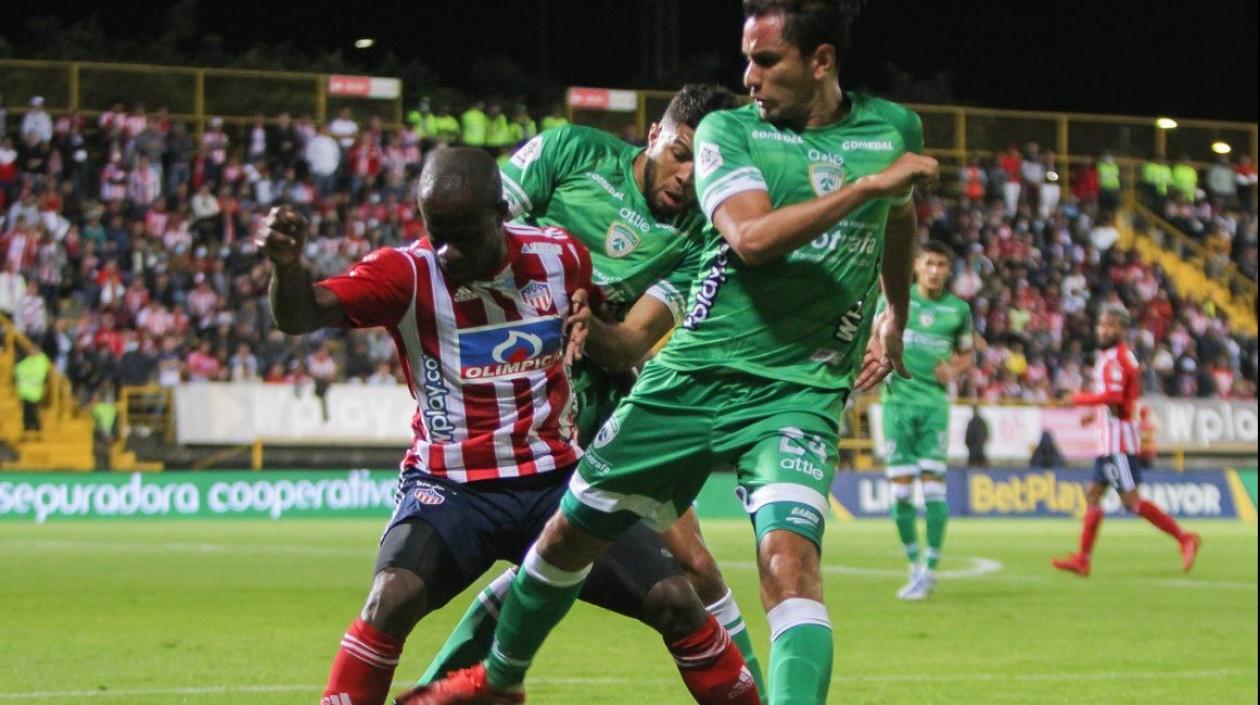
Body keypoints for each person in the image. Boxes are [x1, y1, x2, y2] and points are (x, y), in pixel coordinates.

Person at [410, 1, 940, 702]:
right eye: (746, 58)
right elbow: (751, 239)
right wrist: (868, 185)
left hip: (799, 390)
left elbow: (898, 219)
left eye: (765, 60)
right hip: (689, 378)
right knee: (572, 537)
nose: (747, 76)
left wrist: (894, 314)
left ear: (821, 61)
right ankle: (497, 681)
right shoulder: (727, 132)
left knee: (787, 563)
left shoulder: (894, 129)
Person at [258, 149, 755, 705]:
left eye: (463, 235)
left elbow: (604, 340)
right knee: (390, 599)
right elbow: (301, 314)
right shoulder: (408, 273)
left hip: (556, 486)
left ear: (501, 214)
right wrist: (286, 268)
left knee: (676, 600)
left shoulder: (562, 257)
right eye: (436, 232)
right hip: (452, 489)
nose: (448, 251)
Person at [409, 84, 766, 699]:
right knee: (554, 560)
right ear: (655, 132)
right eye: (679, 152)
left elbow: (629, 344)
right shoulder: (571, 152)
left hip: (604, 401)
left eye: (701, 165)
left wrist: (588, 326)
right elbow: (471, 238)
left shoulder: (701, 236)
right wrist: (546, 296)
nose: (685, 176)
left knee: (693, 565)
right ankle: (440, 688)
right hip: (521, 399)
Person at [1052, 305, 1201, 578]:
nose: (1104, 330)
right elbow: (1114, 400)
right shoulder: (1109, 356)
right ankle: (1082, 559)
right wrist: (1093, 416)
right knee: (1093, 494)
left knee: (1131, 501)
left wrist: (1079, 399)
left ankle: (1184, 537)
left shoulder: (1119, 358)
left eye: (1111, 326)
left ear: (1122, 329)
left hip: (1117, 443)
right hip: (1108, 439)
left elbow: (1115, 397)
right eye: (1102, 325)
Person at [877, 240, 974, 600]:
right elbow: (872, 340)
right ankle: (914, 566)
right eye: (929, 263)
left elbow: (967, 355)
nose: (935, 270)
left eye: (942, 265)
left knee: (933, 487)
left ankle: (931, 569)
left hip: (933, 406)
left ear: (948, 271)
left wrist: (954, 367)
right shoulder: (894, 301)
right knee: (901, 491)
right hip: (896, 405)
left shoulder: (958, 310)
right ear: (917, 265)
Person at [15, 346, 51, 439]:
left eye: (33, 350)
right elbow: (19, 369)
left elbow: (37, 374)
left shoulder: (41, 361)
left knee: (33, 413)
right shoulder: (28, 361)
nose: (31, 352)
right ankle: (27, 431)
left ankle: (37, 431)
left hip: (33, 392)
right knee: (26, 412)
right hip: (25, 392)